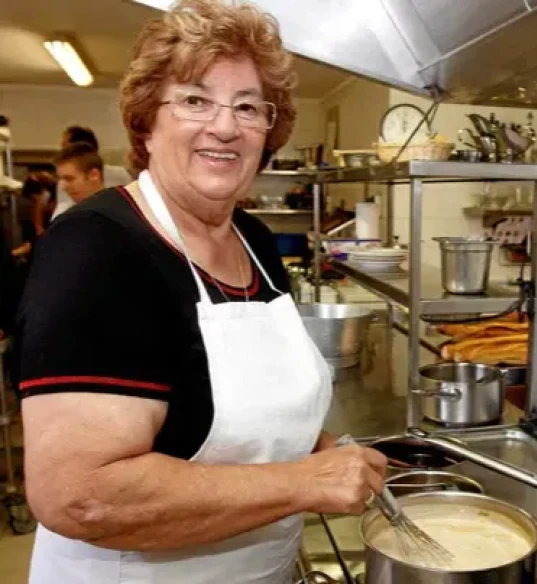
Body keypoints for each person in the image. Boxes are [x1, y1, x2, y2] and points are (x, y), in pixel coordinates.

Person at [17, 1, 387, 583]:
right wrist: (300, 482)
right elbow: (79, 494)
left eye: (248, 107)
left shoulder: (256, 241)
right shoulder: (97, 248)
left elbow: (220, 413)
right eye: (195, 100)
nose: (225, 126)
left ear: (269, 130)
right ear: (146, 122)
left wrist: (324, 450)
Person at [50, 126, 132, 219]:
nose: (63, 186)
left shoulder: (121, 215)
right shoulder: (64, 215)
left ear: (94, 175)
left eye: (69, 179)